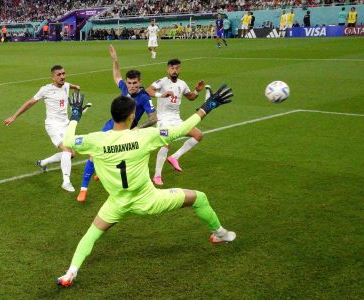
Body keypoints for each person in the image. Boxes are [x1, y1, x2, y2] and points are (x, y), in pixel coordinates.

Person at [57, 85, 235, 288]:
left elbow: (68, 139)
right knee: (199, 198)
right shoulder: (146, 136)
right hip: (149, 200)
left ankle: (70, 273)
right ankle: (219, 233)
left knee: (91, 234)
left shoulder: (96, 140)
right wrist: (207, 106)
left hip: (116, 203)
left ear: (113, 115)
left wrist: (75, 116)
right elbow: (183, 129)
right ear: (132, 116)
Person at [77, 45, 157, 202]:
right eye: (129, 83)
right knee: (94, 154)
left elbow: (154, 118)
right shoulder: (125, 89)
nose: (132, 86)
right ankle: (83, 189)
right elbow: (116, 75)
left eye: (135, 83)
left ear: (140, 82)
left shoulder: (144, 97)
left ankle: (104, 173)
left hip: (128, 131)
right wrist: (115, 59)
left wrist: (137, 128)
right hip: (111, 125)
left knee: (121, 156)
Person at [3, 66, 81, 192]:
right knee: (66, 151)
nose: (62, 76)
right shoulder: (45, 90)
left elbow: (69, 85)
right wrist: (14, 116)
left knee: (71, 154)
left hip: (65, 124)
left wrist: (76, 87)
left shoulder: (66, 85)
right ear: (53, 77)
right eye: (59, 74)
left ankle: (43, 163)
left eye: (63, 74)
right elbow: (29, 103)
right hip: (53, 125)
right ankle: (66, 182)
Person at [146, 59, 205, 186]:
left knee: (198, 135)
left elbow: (190, 97)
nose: (175, 70)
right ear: (168, 69)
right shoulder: (162, 81)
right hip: (163, 120)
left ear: (180, 69)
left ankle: (174, 157)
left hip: (177, 120)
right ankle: (157, 176)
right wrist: (161, 95)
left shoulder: (182, 84)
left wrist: (197, 91)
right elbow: (148, 90)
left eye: (177, 68)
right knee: (166, 142)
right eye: (172, 68)